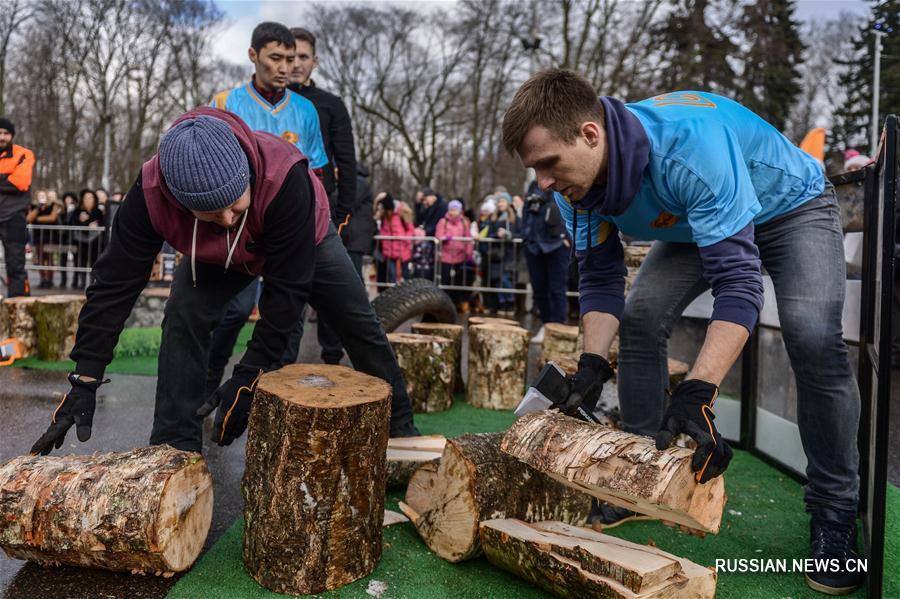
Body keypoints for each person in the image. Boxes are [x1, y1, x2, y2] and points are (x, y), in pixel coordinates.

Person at [502, 69, 862, 594]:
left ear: (590, 134)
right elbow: (601, 279)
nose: (543, 183)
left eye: (548, 164)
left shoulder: (690, 149)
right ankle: (638, 475)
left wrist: (698, 393)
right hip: (695, 220)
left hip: (790, 207)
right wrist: (593, 364)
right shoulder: (572, 189)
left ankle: (834, 513)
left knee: (810, 334)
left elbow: (738, 285)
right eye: (535, 169)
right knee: (643, 319)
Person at [30, 107, 416, 460]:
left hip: (302, 240)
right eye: (213, 212)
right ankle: (173, 444)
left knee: (357, 320)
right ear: (179, 202)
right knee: (183, 315)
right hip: (214, 256)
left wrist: (250, 373)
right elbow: (114, 283)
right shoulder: (149, 195)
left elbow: (287, 292)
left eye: (235, 204)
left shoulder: (286, 176)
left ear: (247, 175)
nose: (230, 219)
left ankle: (401, 426)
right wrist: (85, 376)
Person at [205, 21, 329, 383]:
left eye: (290, 59)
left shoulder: (305, 110)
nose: (284, 67)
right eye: (275, 57)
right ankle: (212, 376)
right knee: (236, 309)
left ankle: (272, 389)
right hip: (240, 224)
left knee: (287, 310)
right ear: (253, 55)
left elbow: (317, 170)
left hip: (289, 227)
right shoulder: (226, 102)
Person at [287, 26, 358, 365]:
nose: (296, 64)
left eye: (303, 57)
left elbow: (347, 160)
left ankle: (333, 364)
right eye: (291, 56)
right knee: (287, 294)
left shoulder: (331, 104)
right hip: (281, 213)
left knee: (332, 294)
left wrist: (342, 214)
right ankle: (278, 369)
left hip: (323, 210)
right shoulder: (272, 101)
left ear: (314, 61)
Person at [521, 181, 570, 327]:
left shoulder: (562, 179)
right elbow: (526, 210)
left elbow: (572, 209)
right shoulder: (532, 185)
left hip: (556, 245)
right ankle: (546, 325)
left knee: (557, 289)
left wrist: (567, 237)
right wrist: (526, 236)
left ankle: (558, 326)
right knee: (539, 290)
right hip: (534, 246)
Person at [0, 117, 35, 297]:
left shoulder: (23, 154)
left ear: (12, 135)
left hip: (13, 217)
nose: (2, 137)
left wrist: (10, 182)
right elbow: (11, 183)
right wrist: (6, 180)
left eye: (6, 133)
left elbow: (20, 183)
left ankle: (18, 307)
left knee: (15, 265)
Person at [435, 199, 473, 311]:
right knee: (445, 281)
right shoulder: (443, 222)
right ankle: (444, 304)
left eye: (455, 209)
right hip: (446, 257)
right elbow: (438, 236)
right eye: (451, 209)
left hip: (460, 256)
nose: (453, 212)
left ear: (460, 210)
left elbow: (468, 239)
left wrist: (469, 253)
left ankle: (458, 303)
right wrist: (445, 237)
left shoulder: (465, 222)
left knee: (459, 281)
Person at [27, 189, 62, 288]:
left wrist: (38, 219)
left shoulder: (53, 205)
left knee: (50, 259)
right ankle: (43, 279)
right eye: (40, 196)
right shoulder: (34, 207)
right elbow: (29, 219)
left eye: (43, 195)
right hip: (38, 238)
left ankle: (50, 280)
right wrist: (38, 209)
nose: (42, 197)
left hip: (50, 237)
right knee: (40, 259)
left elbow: (52, 218)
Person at [376, 193, 414, 282]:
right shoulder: (383, 215)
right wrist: (384, 239)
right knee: (391, 274)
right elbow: (382, 230)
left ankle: (409, 293)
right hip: (389, 250)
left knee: (406, 274)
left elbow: (411, 230)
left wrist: (404, 239)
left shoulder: (402, 213)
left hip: (403, 248)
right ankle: (393, 294)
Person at [72, 189, 104, 289]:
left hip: (95, 242)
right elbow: (72, 223)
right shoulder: (77, 211)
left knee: (94, 263)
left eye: (90, 198)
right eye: (86, 198)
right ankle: (81, 283)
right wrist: (80, 220)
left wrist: (96, 224)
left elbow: (103, 223)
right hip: (80, 242)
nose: (88, 200)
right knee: (80, 262)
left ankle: (92, 283)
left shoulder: (98, 211)